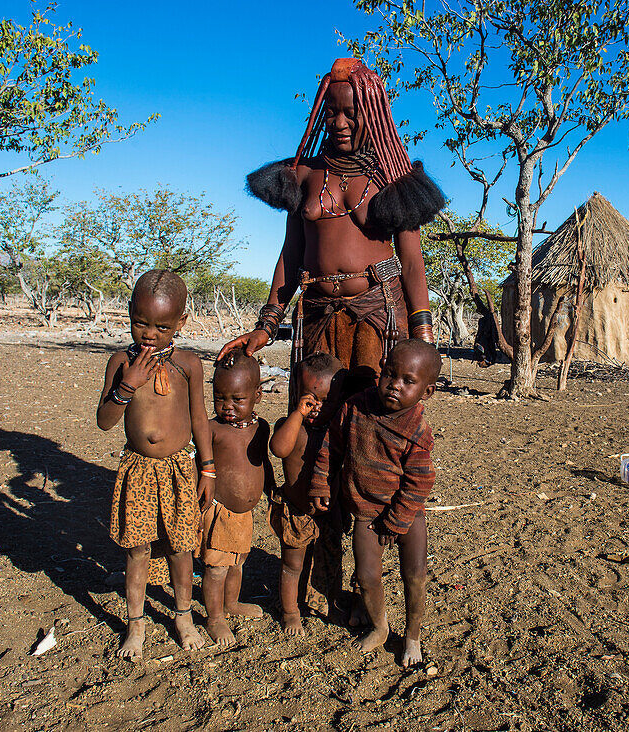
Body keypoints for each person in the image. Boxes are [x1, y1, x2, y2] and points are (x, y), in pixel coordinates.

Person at [217, 57, 445, 399]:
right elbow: (291, 254)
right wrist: (267, 325)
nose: (339, 123)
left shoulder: (393, 177)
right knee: (312, 424)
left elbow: (412, 263)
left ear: (373, 113)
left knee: (369, 423)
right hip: (316, 317)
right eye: (330, 113)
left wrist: (423, 336)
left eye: (350, 113)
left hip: (379, 316)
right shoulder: (303, 174)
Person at [96, 270, 213, 660]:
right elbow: (105, 420)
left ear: (180, 323)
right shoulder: (119, 362)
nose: (149, 333)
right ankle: (137, 624)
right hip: (139, 470)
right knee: (138, 550)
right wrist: (126, 385)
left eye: (162, 326)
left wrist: (208, 469)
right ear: (128, 312)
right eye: (140, 322)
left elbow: (200, 420)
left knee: (182, 548)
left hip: (180, 468)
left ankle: (183, 617)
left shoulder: (188, 365)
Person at [310, 339, 442, 666]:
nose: (394, 386)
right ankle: (381, 627)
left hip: (407, 513)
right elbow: (331, 448)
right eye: (390, 375)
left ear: (426, 391)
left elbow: (420, 480)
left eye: (408, 382)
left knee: (414, 574)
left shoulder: (416, 429)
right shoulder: (355, 408)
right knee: (367, 575)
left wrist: (397, 520)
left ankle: (412, 636)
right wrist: (321, 482)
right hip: (366, 511)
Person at [199, 350, 274, 645]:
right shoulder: (212, 429)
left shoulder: (261, 427)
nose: (227, 406)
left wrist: (271, 490)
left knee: (238, 563)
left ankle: (231, 603)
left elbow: (262, 462)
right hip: (218, 511)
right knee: (216, 568)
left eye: (237, 399)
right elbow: (199, 467)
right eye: (220, 397)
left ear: (257, 395)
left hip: (244, 516)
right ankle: (214, 618)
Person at [268, 352, 345, 636]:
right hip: (297, 511)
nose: (316, 408)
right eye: (308, 399)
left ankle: (328, 602)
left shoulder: (338, 431)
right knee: (292, 565)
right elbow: (278, 449)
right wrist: (297, 415)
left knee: (330, 561)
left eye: (325, 401)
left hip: (328, 512)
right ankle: (289, 611)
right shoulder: (291, 427)